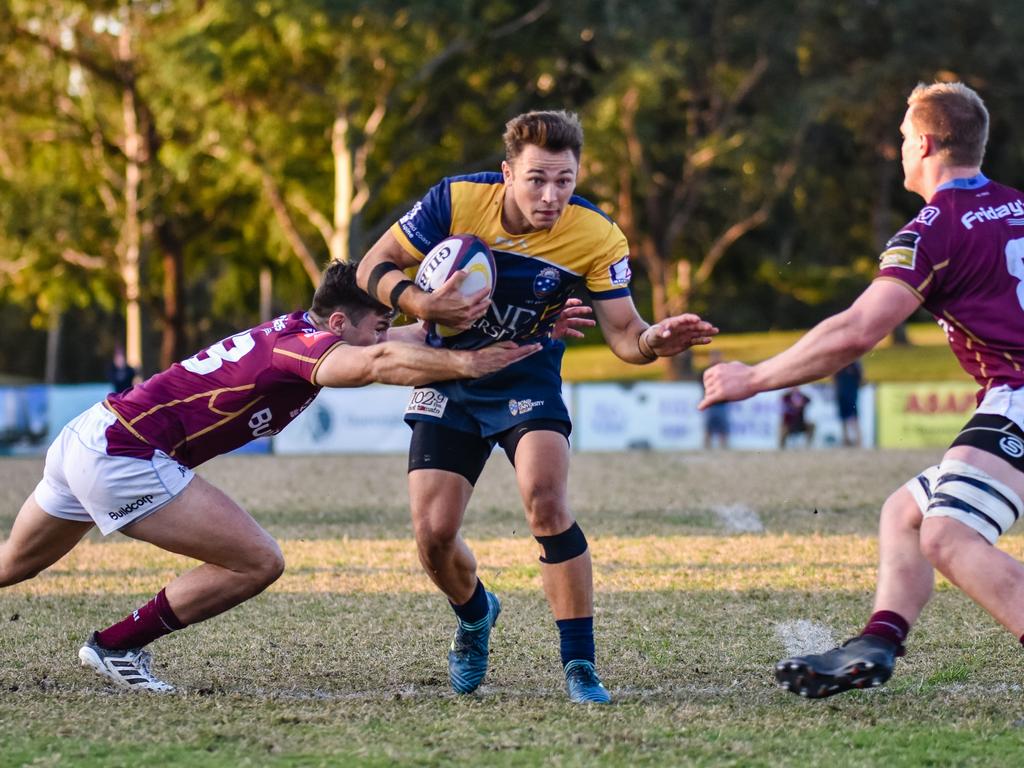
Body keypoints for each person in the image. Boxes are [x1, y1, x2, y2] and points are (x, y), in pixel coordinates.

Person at [0, 261, 539, 693]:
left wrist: (516, 325)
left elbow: (405, 340)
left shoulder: (299, 329)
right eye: (377, 326)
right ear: (337, 325)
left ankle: (113, 646)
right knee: (258, 561)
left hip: (92, 432)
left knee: (14, 563)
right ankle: (115, 645)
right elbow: (377, 364)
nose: (385, 336)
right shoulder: (299, 348)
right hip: (126, 454)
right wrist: (467, 367)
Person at [357, 110, 718, 703]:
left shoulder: (597, 235)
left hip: (526, 375)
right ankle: (475, 614)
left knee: (546, 501)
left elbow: (626, 334)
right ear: (507, 174)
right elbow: (372, 266)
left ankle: (580, 665)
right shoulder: (456, 200)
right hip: (447, 377)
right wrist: (421, 305)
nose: (551, 196)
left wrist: (654, 340)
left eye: (565, 181)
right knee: (432, 536)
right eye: (537, 180)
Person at [701, 82, 1024, 699]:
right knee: (906, 514)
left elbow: (855, 332)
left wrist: (754, 378)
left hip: (1016, 391)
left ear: (925, 144)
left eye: (904, 139)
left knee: (947, 535)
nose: (899, 150)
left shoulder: (934, 229)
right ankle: (878, 640)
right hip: (1010, 395)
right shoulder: (1015, 205)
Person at [702, 350, 730, 449]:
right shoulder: (706, 371)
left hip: (722, 405)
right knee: (708, 429)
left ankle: (724, 449)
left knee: (723, 430)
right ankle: (707, 449)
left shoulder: (725, 371)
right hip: (711, 405)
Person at [834, 360, 863, 447]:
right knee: (843, 418)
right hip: (842, 394)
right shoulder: (839, 363)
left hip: (851, 394)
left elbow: (861, 379)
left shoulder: (854, 364)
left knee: (853, 417)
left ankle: (858, 441)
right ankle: (846, 440)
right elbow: (835, 378)